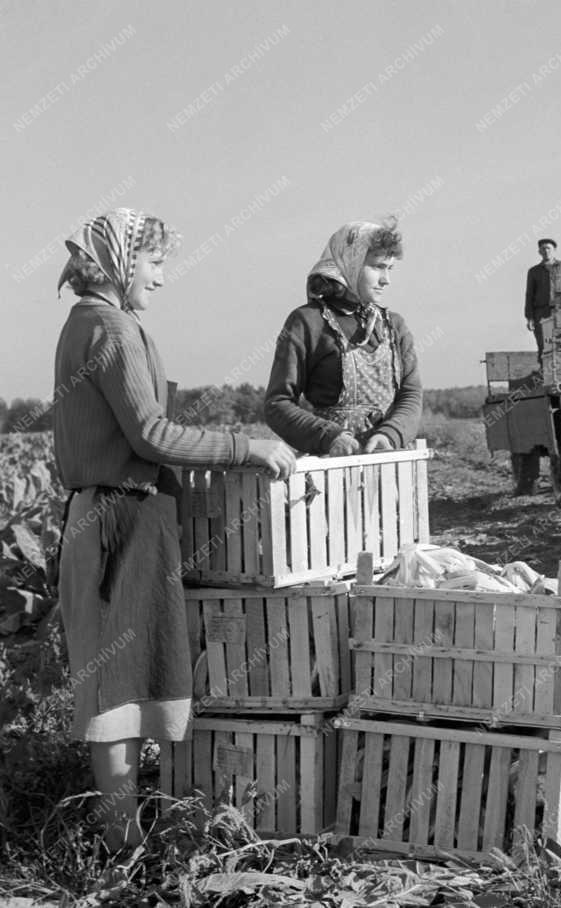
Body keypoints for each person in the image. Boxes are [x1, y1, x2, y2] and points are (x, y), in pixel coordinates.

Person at [53, 208, 295, 851]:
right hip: (118, 523)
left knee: (125, 682)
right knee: (114, 691)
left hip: (119, 516)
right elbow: (151, 433)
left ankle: (126, 841)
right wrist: (246, 447)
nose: (160, 278)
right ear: (120, 261)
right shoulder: (107, 327)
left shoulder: (95, 322)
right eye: (154, 263)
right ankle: (120, 850)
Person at [265, 219, 422, 455]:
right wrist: (329, 437)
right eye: (377, 266)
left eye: (390, 269)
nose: (385, 280)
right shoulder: (308, 322)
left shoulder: (394, 326)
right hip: (333, 466)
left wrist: (390, 434)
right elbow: (278, 404)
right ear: (350, 262)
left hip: (389, 462)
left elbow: (410, 393)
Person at [524, 237, 561, 362]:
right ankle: (544, 376)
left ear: (554, 250)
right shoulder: (534, 271)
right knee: (543, 346)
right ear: (539, 252)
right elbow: (529, 294)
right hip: (541, 313)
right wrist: (529, 317)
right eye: (543, 249)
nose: (546, 251)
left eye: (548, 248)